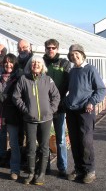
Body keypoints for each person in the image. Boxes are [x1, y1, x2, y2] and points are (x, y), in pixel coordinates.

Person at [13, 55, 60, 185]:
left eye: (38, 63)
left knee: (44, 147)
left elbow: (56, 96)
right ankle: (31, 172)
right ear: (30, 65)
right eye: (33, 62)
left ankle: (41, 174)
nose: (35, 64)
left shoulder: (48, 80)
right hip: (29, 119)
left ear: (42, 65)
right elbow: (16, 97)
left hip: (46, 119)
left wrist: (51, 110)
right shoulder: (24, 79)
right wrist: (26, 110)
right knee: (31, 147)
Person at [64, 44, 106, 184]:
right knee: (74, 141)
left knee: (85, 141)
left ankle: (90, 170)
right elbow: (68, 90)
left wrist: (91, 102)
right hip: (72, 110)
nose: (74, 57)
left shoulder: (90, 69)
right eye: (72, 55)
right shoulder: (72, 72)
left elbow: (101, 90)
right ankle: (79, 168)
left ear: (82, 54)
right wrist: (66, 102)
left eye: (77, 54)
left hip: (85, 111)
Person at [43, 39, 71, 177]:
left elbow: (67, 83)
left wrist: (58, 100)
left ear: (57, 49)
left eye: (53, 48)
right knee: (44, 138)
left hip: (59, 107)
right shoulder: (41, 63)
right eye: (48, 48)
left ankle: (62, 167)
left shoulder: (64, 63)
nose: (51, 50)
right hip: (44, 107)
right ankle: (45, 166)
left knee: (60, 139)